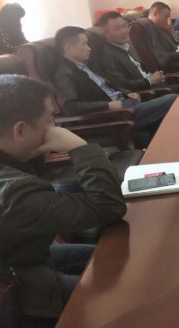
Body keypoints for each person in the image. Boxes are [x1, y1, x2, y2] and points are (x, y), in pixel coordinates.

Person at [0, 74, 127, 320]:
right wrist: (80, 148)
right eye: (50, 119)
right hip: (17, 284)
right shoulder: (15, 193)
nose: (55, 127)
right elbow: (108, 207)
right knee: (117, 300)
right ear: (20, 130)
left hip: (23, 251)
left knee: (111, 254)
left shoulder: (11, 158)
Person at [52, 26, 177, 133]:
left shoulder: (86, 64)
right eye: (84, 44)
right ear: (68, 48)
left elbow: (107, 85)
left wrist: (127, 93)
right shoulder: (64, 74)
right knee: (173, 100)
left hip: (126, 103)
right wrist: (107, 105)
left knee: (165, 121)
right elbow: (69, 107)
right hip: (115, 115)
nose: (89, 48)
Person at [97, 11, 170, 92]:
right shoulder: (108, 56)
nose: (123, 31)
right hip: (145, 93)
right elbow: (122, 85)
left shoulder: (126, 46)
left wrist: (154, 76)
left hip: (154, 85)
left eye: (124, 26)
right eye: (117, 28)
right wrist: (149, 81)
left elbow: (140, 71)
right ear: (105, 34)